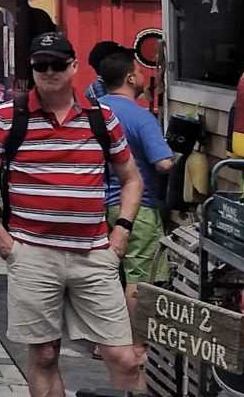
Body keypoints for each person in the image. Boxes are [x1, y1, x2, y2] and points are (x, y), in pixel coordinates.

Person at [0, 32, 144, 397]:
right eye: (40, 65)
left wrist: (121, 229)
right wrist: (1, 238)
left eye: (57, 64)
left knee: (124, 356)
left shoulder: (101, 118)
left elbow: (131, 179)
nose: (49, 72)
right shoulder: (10, 116)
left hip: (93, 253)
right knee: (44, 355)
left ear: (74, 67)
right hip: (33, 253)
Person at [98, 49, 176, 365]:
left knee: (103, 276)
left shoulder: (90, 111)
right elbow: (163, 162)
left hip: (93, 206)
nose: (143, 77)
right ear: (130, 77)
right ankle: (135, 345)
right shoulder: (140, 116)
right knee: (137, 278)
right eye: (139, 72)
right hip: (135, 208)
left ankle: (102, 342)